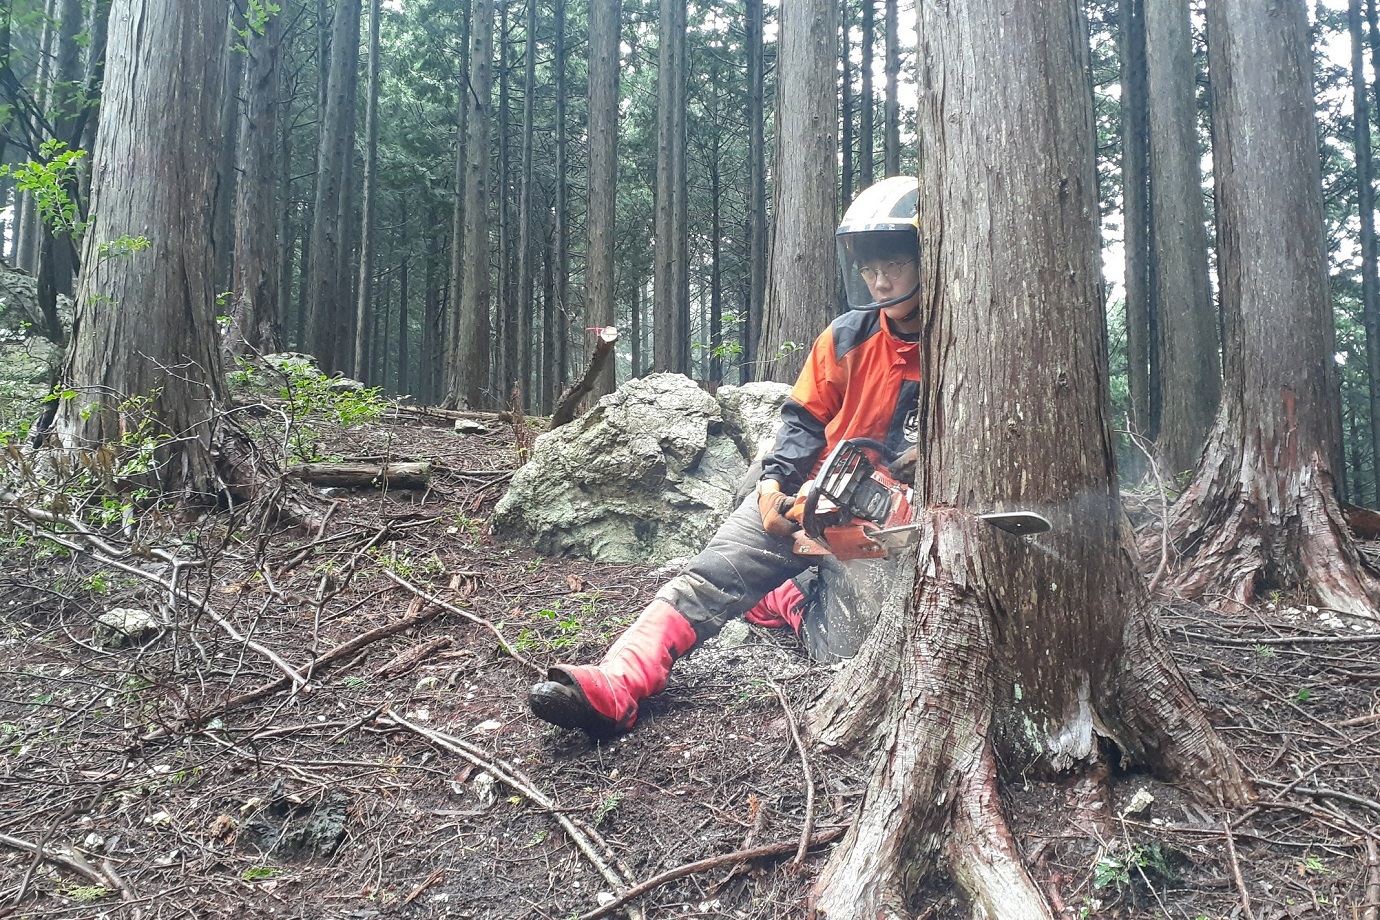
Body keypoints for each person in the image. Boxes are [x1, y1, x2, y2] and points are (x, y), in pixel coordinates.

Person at [528, 176, 923, 736]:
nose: (879, 282)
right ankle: (619, 679)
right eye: (868, 268)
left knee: (847, 652)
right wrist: (774, 486)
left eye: (893, 267)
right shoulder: (847, 338)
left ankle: (791, 596)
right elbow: (802, 419)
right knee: (709, 577)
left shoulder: (963, 344)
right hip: (814, 493)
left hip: (883, 527)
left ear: (926, 258)